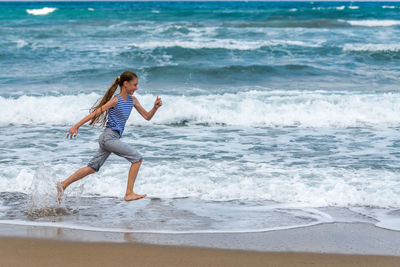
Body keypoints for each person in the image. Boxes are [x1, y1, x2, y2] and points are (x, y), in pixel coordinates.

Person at [57, 70, 162, 203]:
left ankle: (63, 185)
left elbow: (147, 117)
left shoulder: (133, 100)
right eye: (134, 85)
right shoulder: (115, 100)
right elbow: (95, 113)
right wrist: (76, 126)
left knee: (92, 168)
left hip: (110, 138)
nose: (137, 88)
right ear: (125, 84)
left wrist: (155, 108)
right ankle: (129, 193)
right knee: (137, 159)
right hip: (109, 138)